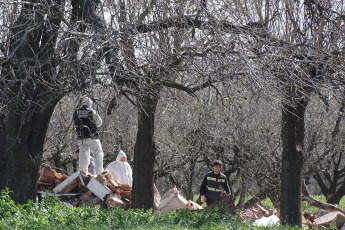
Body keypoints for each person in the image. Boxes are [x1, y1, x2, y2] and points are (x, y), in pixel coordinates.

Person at [73, 96, 104, 175]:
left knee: (83, 155)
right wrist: (94, 125)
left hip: (81, 137)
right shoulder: (91, 111)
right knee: (98, 153)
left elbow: (74, 123)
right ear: (90, 103)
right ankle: (99, 172)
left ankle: (83, 172)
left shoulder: (76, 112)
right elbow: (100, 122)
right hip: (92, 136)